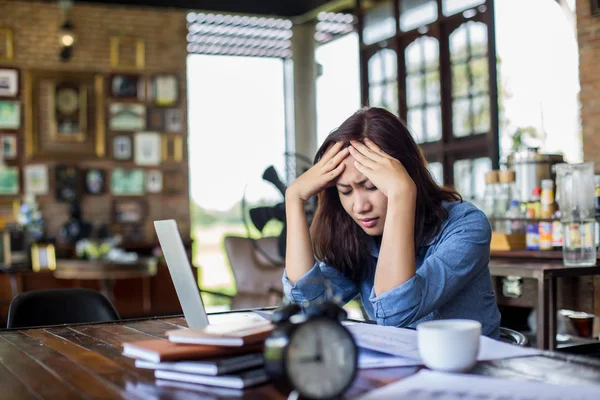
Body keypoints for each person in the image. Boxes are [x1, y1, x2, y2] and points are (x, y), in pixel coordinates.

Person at [282, 107, 501, 338]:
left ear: (406, 176)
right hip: (400, 368)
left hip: (469, 369)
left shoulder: (467, 226)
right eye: (346, 191)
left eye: (372, 186)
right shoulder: (361, 237)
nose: (360, 206)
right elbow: (309, 302)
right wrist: (293, 198)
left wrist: (402, 194)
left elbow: (396, 311)